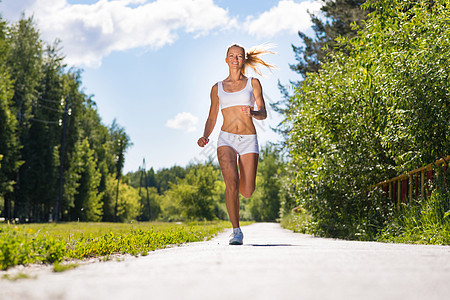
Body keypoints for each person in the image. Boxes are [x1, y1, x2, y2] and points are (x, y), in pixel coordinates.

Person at [197, 44, 275, 245]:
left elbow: (263, 112)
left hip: (249, 139)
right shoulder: (217, 88)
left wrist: (254, 113)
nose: (235, 59)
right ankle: (236, 231)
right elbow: (212, 117)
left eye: (239, 56)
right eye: (231, 56)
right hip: (226, 139)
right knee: (231, 182)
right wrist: (205, 136)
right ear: (226, 59)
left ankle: (241, 183)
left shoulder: (253, 83)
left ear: (244, 60)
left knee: (247, 191)